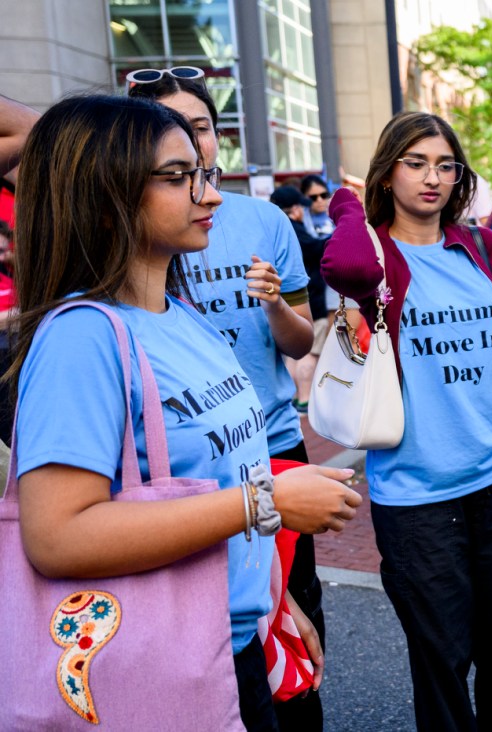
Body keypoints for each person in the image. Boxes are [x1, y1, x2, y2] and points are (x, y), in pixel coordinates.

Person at [10, 94, 362, 729]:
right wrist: (264, 502)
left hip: (231, 647)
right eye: (177, 178)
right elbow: (56, 536)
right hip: (161, 666)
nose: (211, 195)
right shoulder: (81, 338)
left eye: (201, 173)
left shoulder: (186, 318)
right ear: (106, 193)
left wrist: (268, 605)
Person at [321, 111, 492, 731]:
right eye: (416, 163)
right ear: (389, 170)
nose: (433, 178)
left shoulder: (480, 246)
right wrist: (348, 202)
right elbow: (342, 271)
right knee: (443, 663)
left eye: (446, 165)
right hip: (417, 495)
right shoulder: (373, 256)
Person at [127, 69, 328, 729]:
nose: (198, 166)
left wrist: (274, 305)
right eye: (172, 154)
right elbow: (62, 532)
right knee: (215, 649)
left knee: (289, 650)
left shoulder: (261, 223)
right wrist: (260, 501)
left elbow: (302, 343)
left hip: (266, 449)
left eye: (203, 132)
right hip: (195, 475)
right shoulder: (97, 327)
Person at [270, 185, 329, 414]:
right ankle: (305, 399)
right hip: (311, 301)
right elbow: (317, 249)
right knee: (309, 353)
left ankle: (295, 397)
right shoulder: (294, 230)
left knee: (292, 357)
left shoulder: (273, 230)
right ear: (295, 209)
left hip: (285, 303)